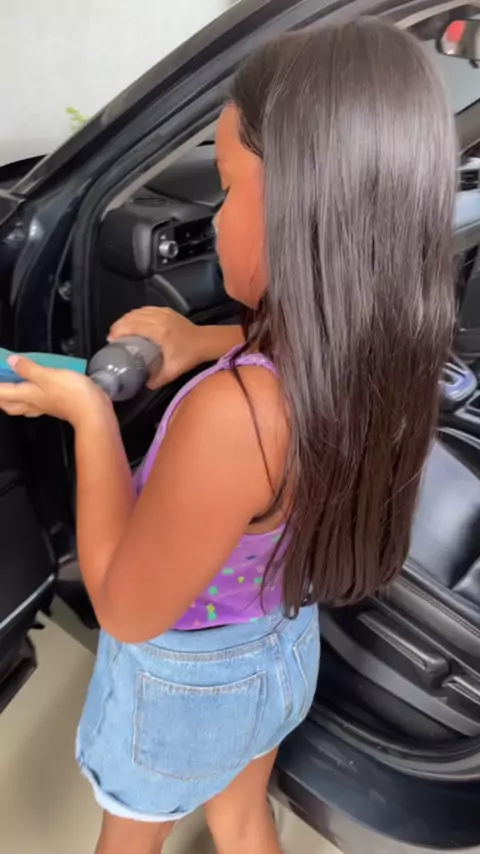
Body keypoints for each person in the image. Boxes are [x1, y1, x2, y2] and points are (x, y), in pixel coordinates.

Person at [0, 18, 456, 854]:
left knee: (129, 839)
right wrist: (199, 341)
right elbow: (305, 355)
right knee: (243, 817)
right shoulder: (392, 349)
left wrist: (91, 418)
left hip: (186, 686)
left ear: (301, 209)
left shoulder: (233, 414)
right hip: (280, 649)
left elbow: (127, 609)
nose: (214, 221)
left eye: (230, 187)